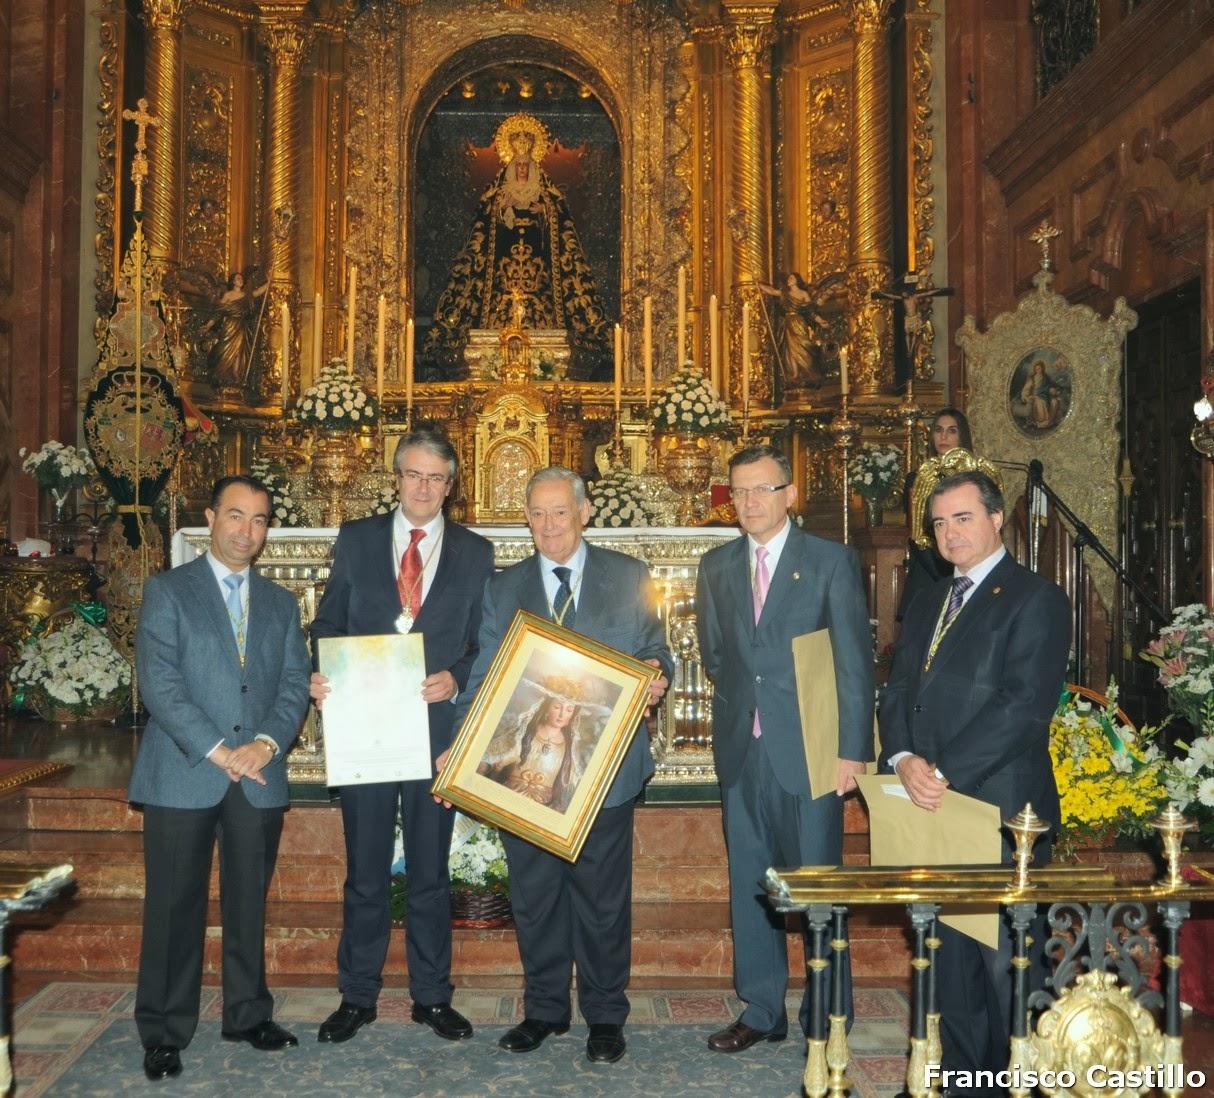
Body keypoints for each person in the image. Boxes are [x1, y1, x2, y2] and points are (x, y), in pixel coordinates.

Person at [443, 466, 671, 1064]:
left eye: (560, 513)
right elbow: (485, 678)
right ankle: (544, 1010)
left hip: (605, 772)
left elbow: (654, 647)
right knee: (535, 896)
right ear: (526, 517)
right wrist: (463, 746)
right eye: (537, 514)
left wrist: (655, 675)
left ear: (586, 511)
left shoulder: (630, 577)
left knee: (602, 900)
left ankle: (604, 1016)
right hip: (529, 775)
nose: (549, 526)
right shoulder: (504, 587)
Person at [879, 470, 1071, 1094]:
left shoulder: (1034, 597)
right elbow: (899, 686)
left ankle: (1019, 1084)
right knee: (947, 965)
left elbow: (1022, 706)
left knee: (1005, 971)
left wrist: (944, 770)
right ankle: (965, 1083)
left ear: (996, 520)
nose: (949, 533)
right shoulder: (931, 595)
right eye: (938, 523)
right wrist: (903, 755)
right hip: (928, 805)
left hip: (997, 810)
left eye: (962, 518)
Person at [309, 426, 494, 1045]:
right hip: (365, 728)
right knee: (364, 868)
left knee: (430, 870)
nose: (424, 488)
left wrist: (458, 678)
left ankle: (432, 996)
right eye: (413, 475)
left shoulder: (474, 550)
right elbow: (328, 621)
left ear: (451, 486)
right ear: (396, 478)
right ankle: (357, 996)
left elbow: (481, 642)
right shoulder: (357, 539)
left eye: (437, 478)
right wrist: (324, 672)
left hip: (435, 732)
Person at [130, 475, 310, 1082]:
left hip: (256, 775)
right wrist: (217, 749)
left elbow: (292, 685)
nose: (247, 532)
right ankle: (162, 1029)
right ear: (211, 518)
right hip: (184, 771)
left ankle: (247, 1012)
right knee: (174, 907)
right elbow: (160, 684)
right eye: (236, 516)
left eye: (259, 521)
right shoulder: (169, 591)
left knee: (246, 902)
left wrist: (262, 744)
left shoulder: (283, 604)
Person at [696, 443, 875, 1052]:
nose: (748, 502)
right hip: (743, 751)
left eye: (761, 489)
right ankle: (762, 1007)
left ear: (790, 495)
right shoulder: (716, 566)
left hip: (814, 752)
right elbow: (718, 656)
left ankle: (828, 1011)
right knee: (750, 882)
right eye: (738, 491)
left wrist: (852, 750)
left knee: (820, 884)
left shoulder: (829, 560)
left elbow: (854, 661)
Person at [425, 112, 609, 377]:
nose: (522, 170)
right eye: (518, 166)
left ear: (532, 166)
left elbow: (562, 225)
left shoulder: (547, 194)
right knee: (500, 300)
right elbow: (482, 227)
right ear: (512, 166)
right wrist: (502, 210)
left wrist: (543, 211)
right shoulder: (498, 193)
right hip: (503, 272)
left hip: (540, 273)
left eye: (526, 166)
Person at [896, 407, 974, 623]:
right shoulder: (918, 478)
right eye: (938, 430)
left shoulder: (974, 478)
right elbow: (917, 535)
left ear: (962, 436)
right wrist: (945, 576)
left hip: (969, 566)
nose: (943, 436)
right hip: (929, 570)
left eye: (951, 431)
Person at [480, 690, 585, 813]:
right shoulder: (523, 733)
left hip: (542, 806)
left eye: (569, 710)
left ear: (573, 715)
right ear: (546, 708)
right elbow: (488, 757)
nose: (561, 714)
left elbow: (570, 784)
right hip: (509, 795)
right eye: (557, 707)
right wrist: (493, 767)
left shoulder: (569, 748)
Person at [210, 271, 268, 389]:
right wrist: (209, 324)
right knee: (224, 349)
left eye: (241, 278)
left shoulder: (246, 295)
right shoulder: (228, 295)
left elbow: (257, 292)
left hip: (241, 326)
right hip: (229, 326)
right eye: (237, 278)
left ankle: (236, 375)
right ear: (233, 281)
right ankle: (222, 375)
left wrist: (269, 280)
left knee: (238, 351)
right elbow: (218, 312)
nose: (240, 280)